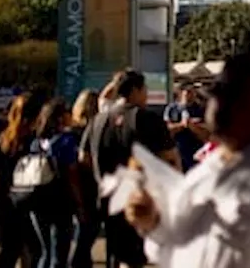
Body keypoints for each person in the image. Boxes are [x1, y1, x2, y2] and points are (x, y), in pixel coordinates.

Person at [124, 54, 250, 268]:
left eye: (234, 100)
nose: (219, 106)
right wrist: (150, 220)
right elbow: (171, 239)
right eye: (218, 96)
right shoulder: (207, 170)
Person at [83, 70, 179, 268]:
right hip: (140, 198)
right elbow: (169, 157)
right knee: (135, 255)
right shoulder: (147, 119)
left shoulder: (98, 120)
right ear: (135, 90)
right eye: (145, 90)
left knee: (114, 250)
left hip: (107, 195)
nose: (146, 95)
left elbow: (83, 157)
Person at [0, 90, 48, 268]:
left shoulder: (3, 139)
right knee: (34, 249)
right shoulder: (33, 141)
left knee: (10, 248)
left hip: (5, 200)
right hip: (28, 200)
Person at [26, 97, 83, 268]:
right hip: (60, 203)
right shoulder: (66, 141)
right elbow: (72, 175)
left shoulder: (36, 142)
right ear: (60, 117)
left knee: (44, 251)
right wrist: (79, 203)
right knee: (59, 254)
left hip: (36, 201)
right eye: (67, 112)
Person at [70, 90, 102, 268]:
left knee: (83, 231)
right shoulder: (91, 130)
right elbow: (85, 160)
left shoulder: (72, 130)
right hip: (89, 185)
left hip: (74, 185)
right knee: (87, 232)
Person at [163, 86, 209, 173]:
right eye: (186, 91)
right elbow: (167, 129)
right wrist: (183, 125)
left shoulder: (201, 109)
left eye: (191, 91)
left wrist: (193, 127)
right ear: (181, 93)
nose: (189, 94)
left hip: (196, 153)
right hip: (177, 151)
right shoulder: (172, 109)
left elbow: (206, 134)